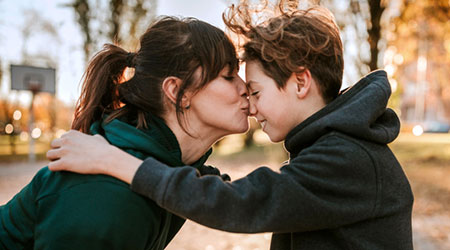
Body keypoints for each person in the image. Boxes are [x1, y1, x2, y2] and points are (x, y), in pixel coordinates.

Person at [47, 2, 414, 249]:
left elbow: (241, 202)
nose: (250, 103)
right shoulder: (335, 147)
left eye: (255, 90)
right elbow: (235, 191)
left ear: (300, 83)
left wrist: (119, 163)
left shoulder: (346, 158)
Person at [0, 16, 249, 249]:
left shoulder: (170, 171)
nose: (245, 87)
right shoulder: (106, 196)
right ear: (178, 91)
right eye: (229, 76)